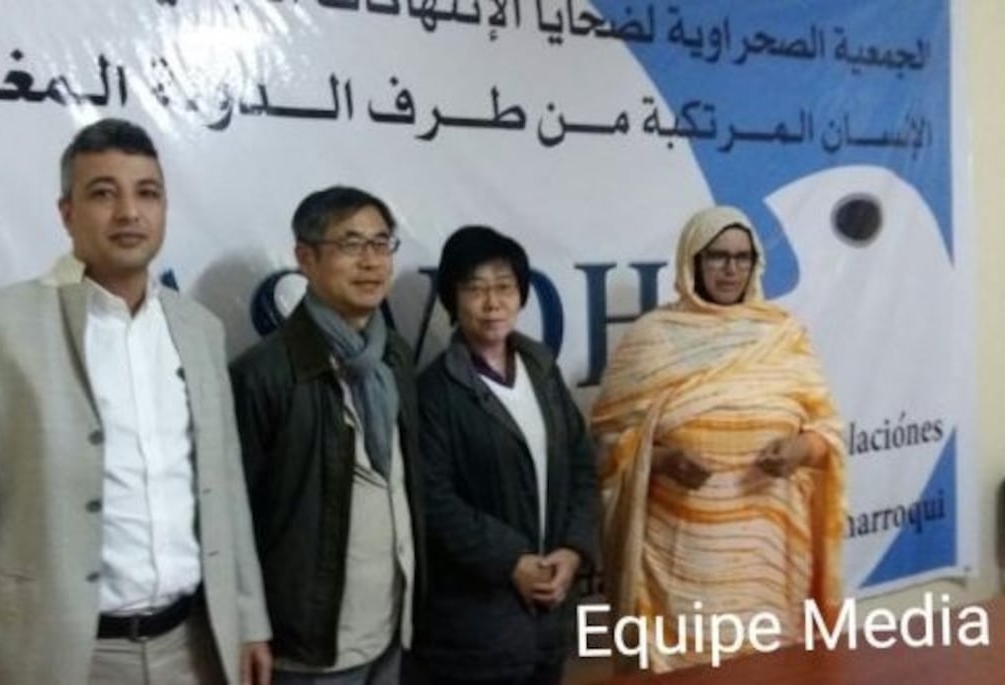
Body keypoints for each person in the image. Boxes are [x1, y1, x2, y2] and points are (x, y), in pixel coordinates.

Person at [0, 118, 272, 685]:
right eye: (104, 193)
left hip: (194, 649)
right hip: (62, 660)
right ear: (67, 212)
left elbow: (224, 490)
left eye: (146, 193)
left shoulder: (199, 329)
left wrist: (249, 620)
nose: (129, 212)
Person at [590, 205, 846, 672]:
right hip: (681, 563)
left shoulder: (783, 335)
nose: (731, 269)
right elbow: (604, 445)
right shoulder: (652, 338)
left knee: (768, 669)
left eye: (742, 257)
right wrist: (662, 460)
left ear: (755, 264)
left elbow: (827, 428)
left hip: (770, 554)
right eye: (717, 257)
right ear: (692, 261)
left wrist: (800, 450)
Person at [229, 186, 423, 685]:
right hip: (310, 647)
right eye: (350, 244)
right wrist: (249, 626)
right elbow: (234, 516)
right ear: (305, 258)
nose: (371, 262)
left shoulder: (394, 358)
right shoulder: (264, 373)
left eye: (381, 244)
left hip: (392, 628)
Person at [413, 226, 597, 684]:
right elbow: (433, 500)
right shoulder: (434, 392)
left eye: (504, 286)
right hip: (476, 627)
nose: (492, 303)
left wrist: (573, 551)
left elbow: (581, 463)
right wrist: (511, 561)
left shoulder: (541, 369)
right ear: (452, 300)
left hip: (550, 613)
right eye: (475, 289)